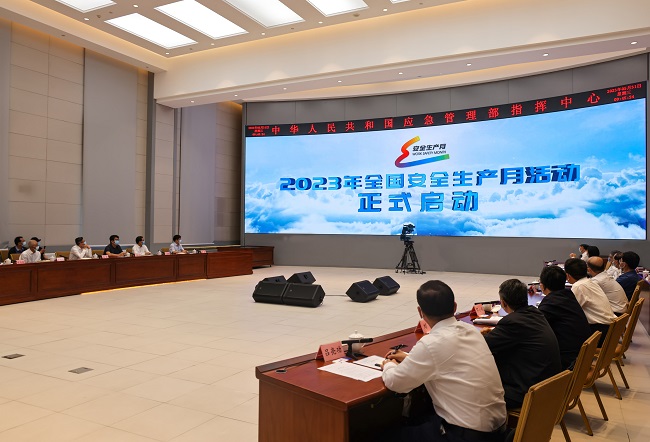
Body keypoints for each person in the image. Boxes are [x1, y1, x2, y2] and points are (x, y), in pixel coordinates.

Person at [381, 280, 507, 441]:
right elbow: (448, 361)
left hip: (464, 435)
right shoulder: (471, 330)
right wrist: (409, 358)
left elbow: (396, 383)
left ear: (420, 312)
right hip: (497, 431)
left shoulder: (431, 343)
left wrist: (389, 365)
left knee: (385, 435)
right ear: (455, 307)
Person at [482, 279, 561, 409]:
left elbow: (482, 346)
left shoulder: (513, 322)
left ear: (503, 302)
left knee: (476, 389)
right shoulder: (535, 313)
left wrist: (480, 336)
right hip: (548, 385)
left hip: (528, 391)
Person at [537, 266, 592, 369]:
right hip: (583, 357)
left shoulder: (550, 304)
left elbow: (535, 329)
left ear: (543, 286)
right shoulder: (568, 295)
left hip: (569, 363)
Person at [565, 258, 616, 345]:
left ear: (568, 275)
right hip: (609, 329)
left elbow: (571, 311)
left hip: (599, 332)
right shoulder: (590, 282)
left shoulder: (578, 286)